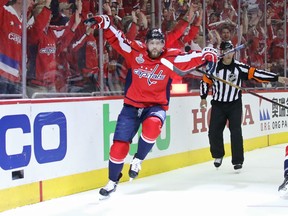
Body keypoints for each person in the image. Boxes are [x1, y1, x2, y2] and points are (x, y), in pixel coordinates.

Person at [84, 14, 218, 199]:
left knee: (153, 125)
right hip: (131, 107)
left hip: (156, 106)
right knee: (118, 148)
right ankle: (112, 182)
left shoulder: (170, 58)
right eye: (152, 43)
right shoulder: (135, 51)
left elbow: (192, 58)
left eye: (159, 43)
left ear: (163, 44)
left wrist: (208, 54)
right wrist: (103, 22)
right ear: (146, 43)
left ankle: (138, 159)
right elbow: (117, 38)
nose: (155, 47)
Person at [199, 41, 288, 171]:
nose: (228, 55)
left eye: (231, 52)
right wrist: (203, 97)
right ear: (221, 52)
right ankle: (218, 155)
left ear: (234, 52)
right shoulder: (213, 68)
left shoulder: (240, 67)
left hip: (234, 104)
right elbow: (205, 82)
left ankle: (237, 160)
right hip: (218, 104)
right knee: (214, 131)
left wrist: (276, 78)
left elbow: (257, 74)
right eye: (225, 52)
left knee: (235, 131)